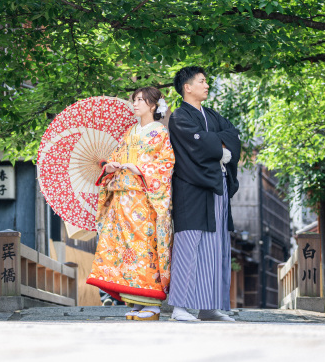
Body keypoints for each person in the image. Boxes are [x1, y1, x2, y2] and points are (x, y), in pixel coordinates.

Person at [86, 87, 174, 321]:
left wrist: (141, 169)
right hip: (123, 199)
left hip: (144, 199)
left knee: (145, 247)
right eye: (134, 100)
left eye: (140, 100)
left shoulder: (160, 133)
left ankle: (152, 304)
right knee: (126, 250)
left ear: (153, 105)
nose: (135, 103)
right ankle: (135, 301)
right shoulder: (130, 132)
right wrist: (111, 166)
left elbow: (166, 164)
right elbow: (116, 157)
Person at [167, 67, 240, 322]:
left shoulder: (210, 115)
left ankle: (209, 307)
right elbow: (196, 146)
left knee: (215, 245)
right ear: (187, 87)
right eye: (202, 81)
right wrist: (219, 151)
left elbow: (232, 135)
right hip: (191, 188)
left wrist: (218, 145)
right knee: (189, 244)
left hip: (216, 187)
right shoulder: (179, 116)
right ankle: (179, 307)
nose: (206, 85)